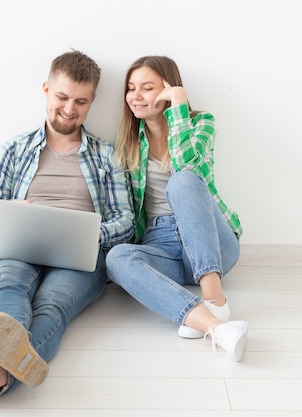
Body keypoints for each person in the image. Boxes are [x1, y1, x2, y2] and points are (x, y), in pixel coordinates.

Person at [0, 49, 135, 407]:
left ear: (93, 101)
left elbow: (127, 221)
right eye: (62, 97)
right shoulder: (13, 149)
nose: (70, 108)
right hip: (20, 247)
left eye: (81, 101)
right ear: (46, 89)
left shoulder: (107, 155)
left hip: (80, 255)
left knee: (51, 306)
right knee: (9, 284)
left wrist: (91, 232)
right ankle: (3, 376)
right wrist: (12, 211)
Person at [105, 55, 248, 361]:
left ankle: (214, 297)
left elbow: (188, 166)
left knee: (182, 181)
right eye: (131, 88)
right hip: (163, 244)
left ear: (168, 88)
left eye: (147, 87)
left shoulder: (201, 123)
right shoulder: (128, 142)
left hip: (212, 239)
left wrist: (179, 108)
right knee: (116, 258)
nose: (136, 96)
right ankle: (209, 322)